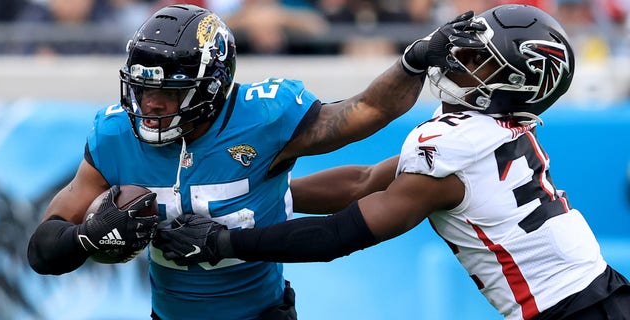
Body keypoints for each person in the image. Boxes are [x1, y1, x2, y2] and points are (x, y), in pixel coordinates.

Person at [165, 4, 630, 320]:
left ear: (515, 85)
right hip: (593, 295)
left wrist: (226, 242)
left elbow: (338, 235)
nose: (459, 63)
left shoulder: (456, 148)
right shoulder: (480, 129)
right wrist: (255, 197)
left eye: (479, 62)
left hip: (571, 309)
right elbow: (364, 180)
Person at [26, 4, 486, 320]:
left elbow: (367, 110)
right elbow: (42, 249)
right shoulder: (113, 134)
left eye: (168, 92)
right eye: (143, 89)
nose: (151, 105)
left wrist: (411, 62)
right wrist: (86, 238)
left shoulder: (263, 116)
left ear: (211, 86)